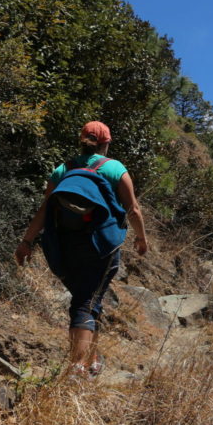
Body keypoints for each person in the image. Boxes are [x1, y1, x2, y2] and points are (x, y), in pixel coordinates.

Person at [14, 121, 148, 379]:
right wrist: (141, 239)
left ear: (81, 141)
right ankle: (77, 370)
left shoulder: (63, 170)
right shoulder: (114, 168)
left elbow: (45, 209)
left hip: (64, 246)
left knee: (88, 299)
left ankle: (92, 360)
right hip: (102, 247)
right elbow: (134, 209)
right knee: (86, 303)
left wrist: (27, 241)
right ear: (106, 144)